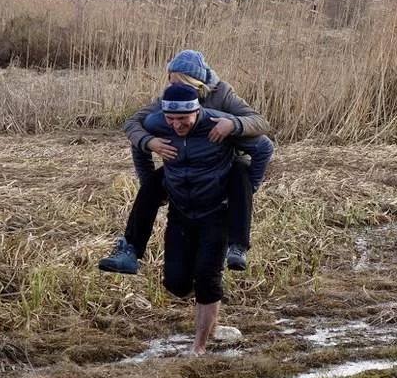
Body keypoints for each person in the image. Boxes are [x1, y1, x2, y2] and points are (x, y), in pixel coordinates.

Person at [99, 50, 270, 275]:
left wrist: (234, 124)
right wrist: (149, 142)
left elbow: (260, 124)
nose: (171, 87)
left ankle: (237, 246)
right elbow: (133, 123)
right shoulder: (171, 98)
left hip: (221, 164)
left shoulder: (222, 94)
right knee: (153, 183)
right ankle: (129, 251)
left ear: (193, 82)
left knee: (240, 171)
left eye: (175, 82)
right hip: (182, 165)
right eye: (170, 82)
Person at [140, 83, 273, 355]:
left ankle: (199, 346)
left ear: (196, 111)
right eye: (171, 119)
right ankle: (208, 301)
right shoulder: (158, 125)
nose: (177, 125)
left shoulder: (217, 126)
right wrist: (151, 182)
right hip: (181, 213)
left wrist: (248, 188)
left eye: (183, 118)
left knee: (206, 277)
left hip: (217, 213)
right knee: (175, 283)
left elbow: (264, 147)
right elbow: (135, 136)